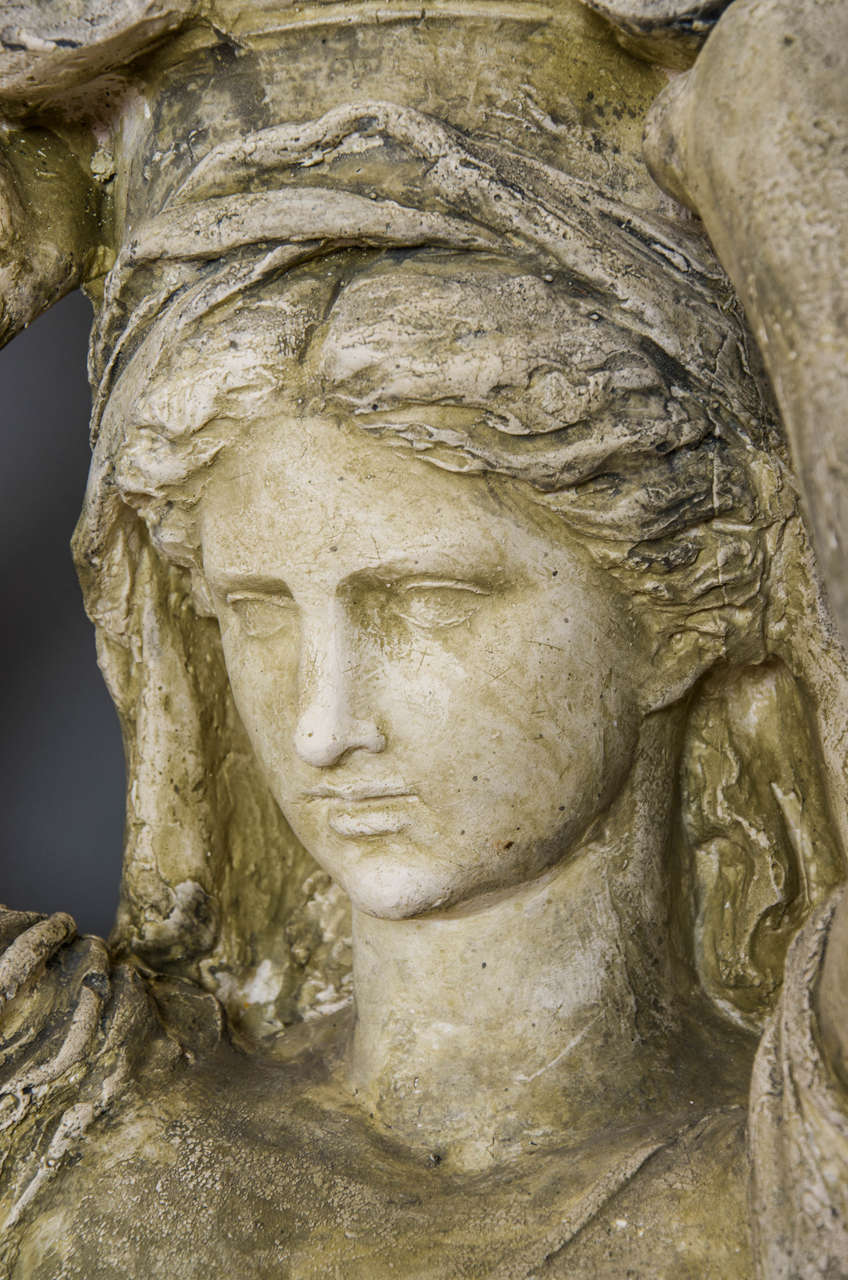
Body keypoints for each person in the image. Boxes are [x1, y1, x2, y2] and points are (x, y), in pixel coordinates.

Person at [0, 2, 845, 1275]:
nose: (322, 723)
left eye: (424, 600)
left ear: (683, 600)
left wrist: (774, 152)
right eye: (260, 611)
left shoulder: (784, 1150)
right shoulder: (60, 1118)